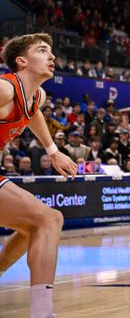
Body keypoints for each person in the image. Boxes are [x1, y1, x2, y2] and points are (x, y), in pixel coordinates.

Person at [0, 34, 78, 318]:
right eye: (43, 50)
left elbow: (32, 113)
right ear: (22, 61)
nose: (52, 56)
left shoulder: (37, 96)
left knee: (40, 222)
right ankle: (42, 312)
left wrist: (53, 149)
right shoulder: (4, 89)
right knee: (48, 218)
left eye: (52, 51)